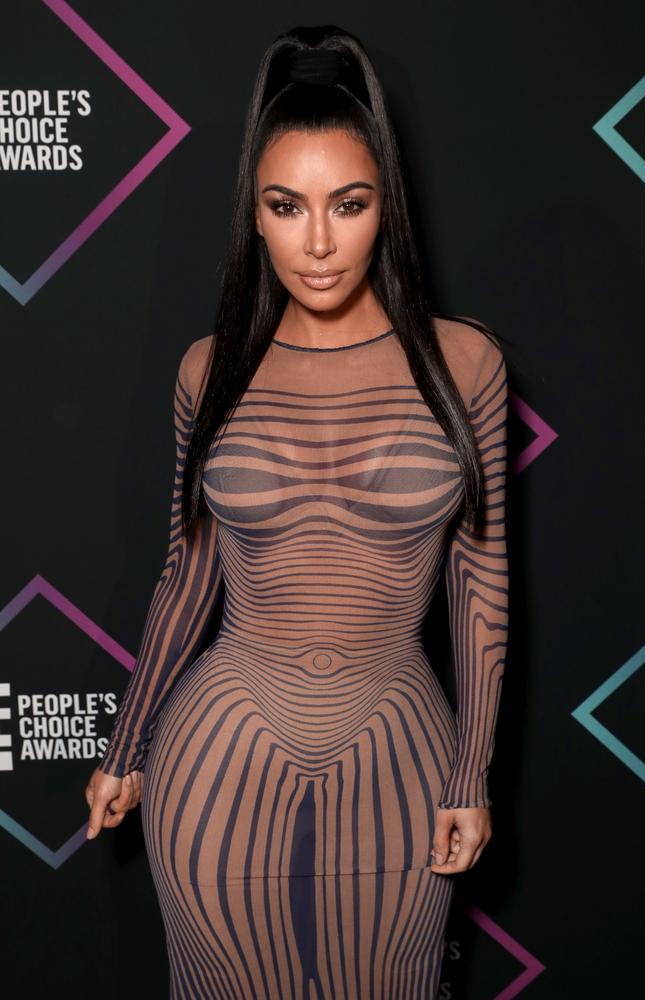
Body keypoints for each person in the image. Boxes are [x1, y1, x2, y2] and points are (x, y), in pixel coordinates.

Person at [84, 24, 509, 1000]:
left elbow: (478, 584)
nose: (316, 242)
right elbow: (186, 574)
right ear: (256, 215)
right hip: (215, 755)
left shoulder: (465, 364)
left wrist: (469, 773)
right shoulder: (211, 369)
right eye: (286, 206)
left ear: (383, 210)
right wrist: (125, 746)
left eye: (346, 205)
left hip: (397, 752)